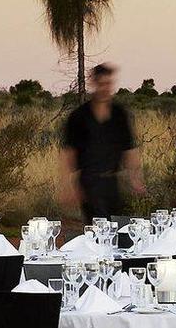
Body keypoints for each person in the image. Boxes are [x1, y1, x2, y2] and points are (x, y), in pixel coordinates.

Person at [60, 64, 144, 222]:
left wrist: (135, 178)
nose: (105, 88)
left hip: (113, 182)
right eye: (102, 84)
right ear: (94, 84)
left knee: (118, 227)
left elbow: (129, 149)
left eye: (109, 84)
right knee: (98, 228)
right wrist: (68, 187)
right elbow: (68, 154)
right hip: (89, 182)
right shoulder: (79, 117)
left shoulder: (120, 115)